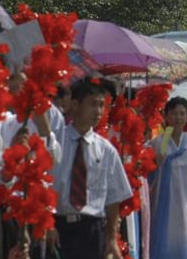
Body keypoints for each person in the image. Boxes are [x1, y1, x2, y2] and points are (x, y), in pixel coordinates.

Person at [48, 78, 133, 259]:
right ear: (75, 105)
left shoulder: (106, 150)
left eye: (102, 105)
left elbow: (113, 199)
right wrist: (48, 225)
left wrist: (111, 240)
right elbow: (45, 186)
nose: (98, 111)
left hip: (92, 231)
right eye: (93, 104)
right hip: (59, 229)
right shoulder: (56, 143)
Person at [148, 97, 187, 259]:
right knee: (170, 236)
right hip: (167, 199)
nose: (178, 118)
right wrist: (156, 162)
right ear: (166, 116)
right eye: (174, 114)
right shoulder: (156, 143)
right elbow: (147, 176)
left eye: (182, 114)